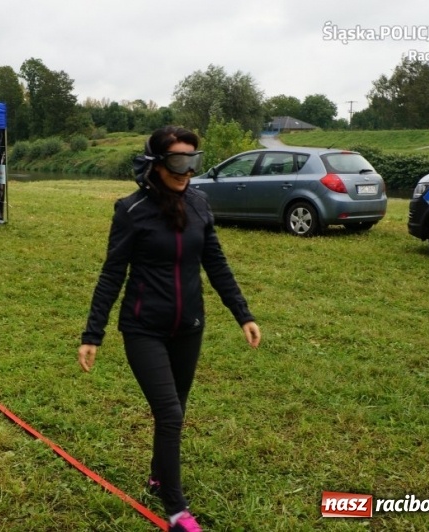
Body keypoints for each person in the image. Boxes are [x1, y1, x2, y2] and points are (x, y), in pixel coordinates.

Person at [78, 126, 261, 532]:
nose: (187, 171)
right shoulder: (131, 210)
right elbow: (112, 273)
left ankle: (158, 477)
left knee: (175, 409)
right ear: (156, 164)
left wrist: (243, 314)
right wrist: (93, 334)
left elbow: (216, 263)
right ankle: (176, 510)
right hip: (143, 329)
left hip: (189, 327)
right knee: (170, 413)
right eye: (178, 161)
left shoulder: (199, 204)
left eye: (194, 161)